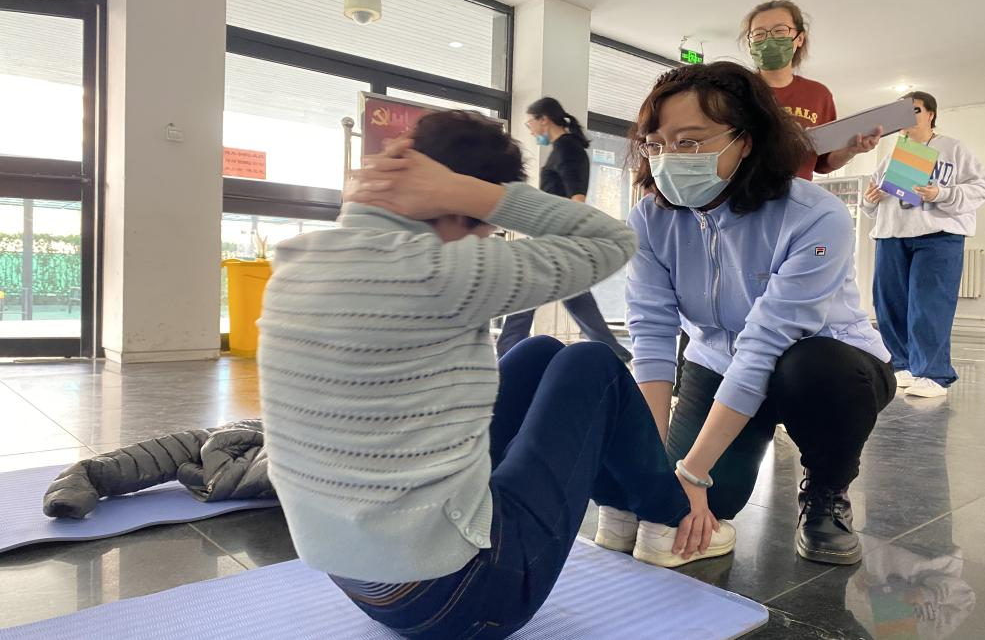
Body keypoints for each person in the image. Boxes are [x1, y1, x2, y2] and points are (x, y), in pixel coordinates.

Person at [258, 110, 699, 640]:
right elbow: (612, 240)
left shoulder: (298, 261)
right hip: (464, 600)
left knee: (537, 351)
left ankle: (625, 511)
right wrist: (473, 193)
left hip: (359, 580)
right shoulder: (442, 270)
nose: (487, 241)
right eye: (485, 230)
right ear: (453, 207)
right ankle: (672, 519)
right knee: (593, 364)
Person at [624, 61, 896, 567]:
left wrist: (693, 472)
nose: (668, 158)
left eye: (690, 141)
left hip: (820, 364)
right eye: (655, 144)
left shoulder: (814, 214)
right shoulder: (649, 220)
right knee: (692, 510)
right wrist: (653, 463)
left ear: (745, 141)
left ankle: (826, 491)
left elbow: (767, 341)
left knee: (813, 369)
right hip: (716, 361)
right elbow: (653, 334)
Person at [862, 91, 985, 398]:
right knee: (889, 303)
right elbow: (873, 204)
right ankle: (902, 365)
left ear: (931, 114)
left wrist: (941, 194)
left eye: (914, 110)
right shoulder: (890, 155)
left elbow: (979, 187)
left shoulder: (953, 148)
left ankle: (933, 373)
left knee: (929, 304)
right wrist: (870, 200)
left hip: (938, 235)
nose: (907, 116)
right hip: (891, 234)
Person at [495, 97, 632, 362]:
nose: (531, 130)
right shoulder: (564, 148)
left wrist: (564, 240)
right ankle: (614, 352)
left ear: (544, 119)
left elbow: (577, 198)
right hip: (553, 237)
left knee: (525, 292)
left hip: (555, 239)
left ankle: (507, 356)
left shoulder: (569, 148)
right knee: (575, 298)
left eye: (530, 123)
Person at [741, 0, 881, 181]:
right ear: (750, 42)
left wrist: (850, 150)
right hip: (743, 193)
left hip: (797, 195)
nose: (769, 40)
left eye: (779, 30)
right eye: (759, 34)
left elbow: (823, 163)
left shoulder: (818, 95)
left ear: (799, 38)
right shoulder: (736, 90)